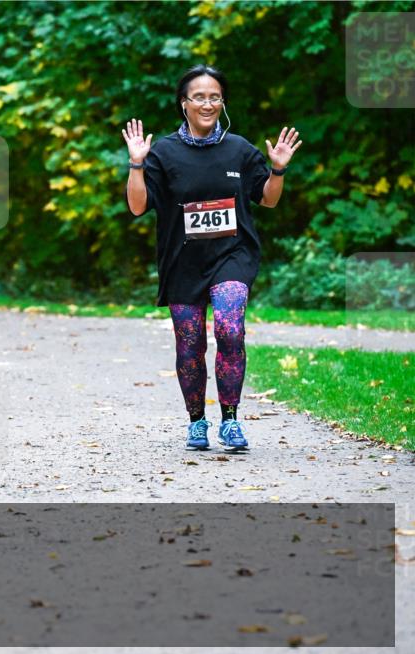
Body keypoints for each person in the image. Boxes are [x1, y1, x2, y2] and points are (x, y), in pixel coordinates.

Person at [122, 64, 302, 452]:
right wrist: (137, 163)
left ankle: (232, 420)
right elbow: (138, 206)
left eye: (215, 96)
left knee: (230, 328)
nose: (208, 103)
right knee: (190, 347)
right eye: (199, 96)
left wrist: (278, 170)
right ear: (183, 103)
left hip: (232, 256)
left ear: (223, 102)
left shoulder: (239, 149)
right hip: (183, 261)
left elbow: (268, 199)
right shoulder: (164, 153)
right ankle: (197, 421)